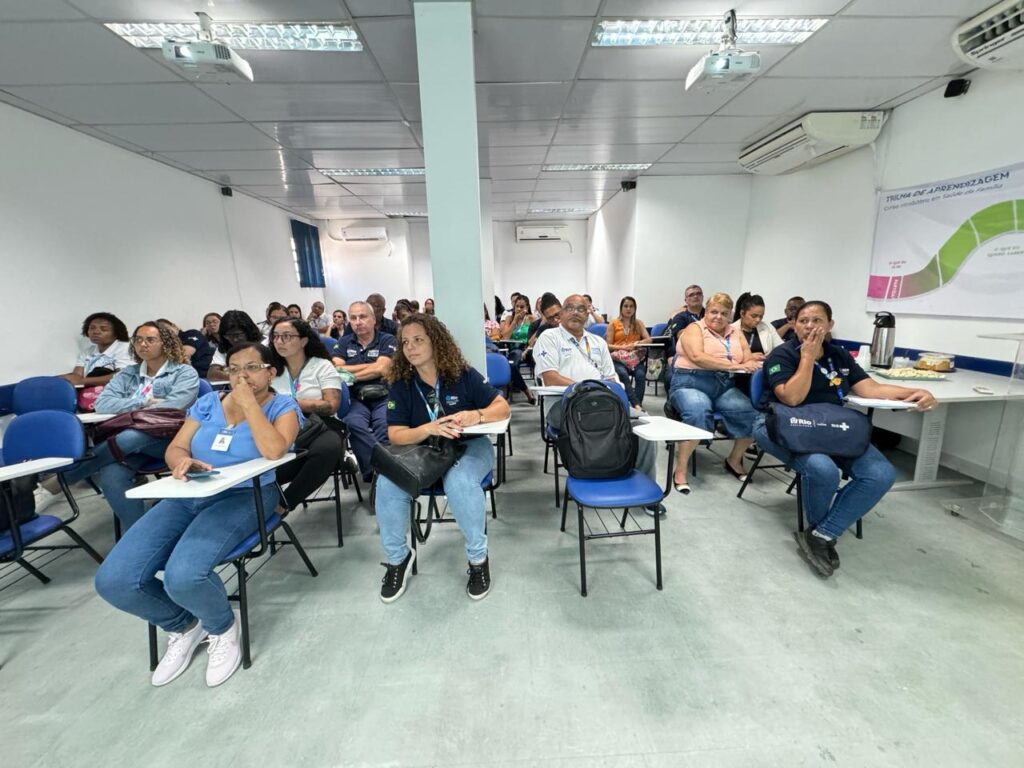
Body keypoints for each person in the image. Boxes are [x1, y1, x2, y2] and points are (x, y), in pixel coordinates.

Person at [93, 342, 301, 688]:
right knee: (114, 580)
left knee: (184, 576)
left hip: (245, 495)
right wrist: (180, 463)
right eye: (234, 369)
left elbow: (274, 449)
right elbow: (176, 447)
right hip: (189, 493)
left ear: (271, 372)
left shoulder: (283, 405)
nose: (241, 376)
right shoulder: (207, 404)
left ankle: (222, 626)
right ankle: (185, 624)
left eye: (252, 367)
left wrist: (249, 404)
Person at [756, 300, 936, 578]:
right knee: (823, 469)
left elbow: (871, 388)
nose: (809, 326)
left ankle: (820, 534)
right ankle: (823, 532)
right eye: (803, 320)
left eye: (817, 320)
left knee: (881, 473)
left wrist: (914, 391)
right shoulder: (782, 355)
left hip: (831, 426)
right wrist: (807, 357)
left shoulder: (838, 355)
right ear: (794, 324)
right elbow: (791, 398)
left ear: (830, 325)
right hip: (786, 424)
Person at [376, 313, 510, 603]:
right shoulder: (402, 383)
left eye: (418, 340)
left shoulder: (463, 374)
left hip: (469, 446)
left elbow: (502, 407)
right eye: (405, 342)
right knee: (387, 484)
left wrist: (478, 414)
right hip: (425, 452)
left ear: (436, 342)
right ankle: (398, 559)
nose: (410, 347)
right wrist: (428, 428)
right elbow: (396, 435)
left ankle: (478, 561)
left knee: (459, 481)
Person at [35, 322, 200, 527]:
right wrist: (143, 402)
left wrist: (127, 408)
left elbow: (173, 407)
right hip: (125, 444)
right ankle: (139, 535)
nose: (143, 344)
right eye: (138, 339)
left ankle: (63, 480)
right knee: (111, 476)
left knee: (132, 436)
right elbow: (102, 404)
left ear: (166, 343)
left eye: (150, 340)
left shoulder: (184, 372)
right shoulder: (128, 373)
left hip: (171, 439)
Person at [534, 294, 664, 516]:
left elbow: (611, 378)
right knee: (596, 423)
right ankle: (593, 475)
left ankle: (640, 485)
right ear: (561, 313)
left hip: (603, 402)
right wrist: (587, 390)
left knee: (642, 427)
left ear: (588, 315)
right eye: (570, 308)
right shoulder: (549, 338)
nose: (575, 312)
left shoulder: (598, 342)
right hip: (563, 404)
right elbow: (550, 377)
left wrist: (617, 399)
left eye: (581, 309)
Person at [668, 292, 760, 495]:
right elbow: (697, 357)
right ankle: (681, 469)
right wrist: (735, 365)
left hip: (723, 385)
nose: (718, 317)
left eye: (724, 313)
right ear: (706, 312)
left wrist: (745, 363)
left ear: (730, 315)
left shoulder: (735, 332)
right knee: (698, 412)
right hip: (690, 382)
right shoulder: (694, 328)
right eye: (713, 312)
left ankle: (733, 460)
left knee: (751, 414)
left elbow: (747, 356)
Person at [268, 318, 343, 512]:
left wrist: (290, 403)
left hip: (320, 425)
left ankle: (282, 506)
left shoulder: (321, 366)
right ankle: (262, 504)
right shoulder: (271, 371)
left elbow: (331, 406)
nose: (279, 341)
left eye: (286, 336)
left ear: (303, 341)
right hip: (280, 426)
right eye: (275, 337)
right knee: (273, 460)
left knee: (326, 450)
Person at [333, 301, 398, 482]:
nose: (358, 322)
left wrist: (350, 372)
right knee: (353, 424)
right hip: (354, 399)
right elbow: (336, 370)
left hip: (384, 395)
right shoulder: (344, 342)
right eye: (353, 318)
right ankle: (380, 474)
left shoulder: (387, 339)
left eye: (363, 317)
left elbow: (382, 369)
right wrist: (373, 367)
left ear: (373, 319)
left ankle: (382, 476)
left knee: (384, 425)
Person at [730, 292, 784, 398]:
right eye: (754, 316)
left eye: (761, 316)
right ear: (742, 313)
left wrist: (770, 357)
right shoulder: (731, 329)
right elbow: (725, 355)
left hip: (763, 373)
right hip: (738, 376)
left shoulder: (767, 327)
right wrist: (748, 357)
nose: (758, 320)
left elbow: (781, 348)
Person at [60, 312, 133, 387]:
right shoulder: (87, 352)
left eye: (104, 329)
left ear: (116, 333)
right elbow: (77, 376)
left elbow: (124, 376)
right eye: (92, 328)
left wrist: (83, 381)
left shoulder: (125, 348)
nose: (96, 332)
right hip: (90, 394)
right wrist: (53, 379)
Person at [605, 296, 652, 410]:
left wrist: (637, 343)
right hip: (618, 358)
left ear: (635, 309)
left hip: (634, 358)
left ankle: (637, 405)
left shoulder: (638, 323)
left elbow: (649, 340)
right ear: (621, 308)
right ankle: (635, 405)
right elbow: (607, 346)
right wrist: (623, 347)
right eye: (625, 306)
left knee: (640, 376)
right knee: (623, 375)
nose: (628, 309)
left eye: (631, 306)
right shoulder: (613, 324)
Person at [497, 294, 537, 404]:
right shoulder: (509, 319)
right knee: (511, 365)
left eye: (522, 306)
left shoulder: (532, 319)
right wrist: (514, 322)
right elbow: (505, 337)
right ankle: (526, 391)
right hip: (514, 350)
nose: (519, 309)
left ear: (527, 307)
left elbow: (536, 337)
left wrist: (528, 349)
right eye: (517, 306)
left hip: (528, 349)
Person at [207, 310, 264, 382]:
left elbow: (266, 371)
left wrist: (230, 370)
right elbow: (212, 374)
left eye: (238, 335)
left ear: (248, 331)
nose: (235, 339)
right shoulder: (224, 347)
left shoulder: (265, 343)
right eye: (228, 336)